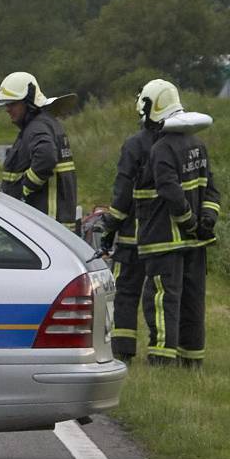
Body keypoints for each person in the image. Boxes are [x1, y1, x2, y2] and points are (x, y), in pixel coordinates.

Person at [132, 80, 220, 367]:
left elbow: (170, 192)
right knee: (193, 301)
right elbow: (211, 190)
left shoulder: (161, 148)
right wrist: (206, 220)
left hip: (165, 240)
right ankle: (192, 360)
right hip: (197, 243)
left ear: (151, 108)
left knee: (161, 298)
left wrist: (189, 222)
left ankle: (161, 358)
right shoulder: (197, 143)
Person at [100, 100, 158, 362]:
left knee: (125, 292)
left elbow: (123, 191)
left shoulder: (135, 144)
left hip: (132, 236)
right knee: (161, 294)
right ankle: (164, 349)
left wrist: (110, 226)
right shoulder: (176, 144)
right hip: (164, 236)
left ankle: (122, 350)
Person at [0, 71, 79, 226]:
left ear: (28, 101)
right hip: (52, 223)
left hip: (47, 223)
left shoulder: (37, 127)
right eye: (6, 104)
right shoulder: (44, 124)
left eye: (12, 104)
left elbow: (46, 158)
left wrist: (23, 189)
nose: (7, 109)